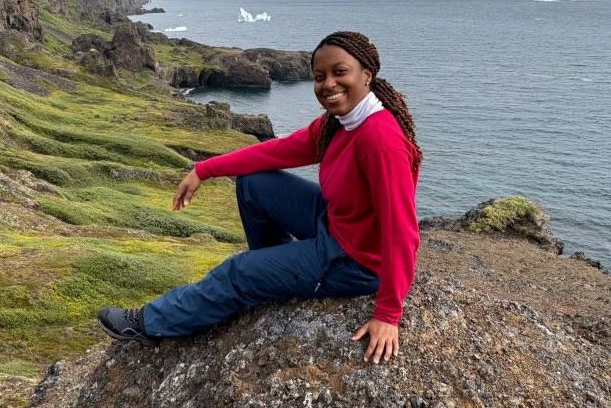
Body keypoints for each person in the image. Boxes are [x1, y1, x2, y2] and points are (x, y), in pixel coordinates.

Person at [98, 31, 422, 364]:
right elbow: (277, 152)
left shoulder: (379, 139)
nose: (328, 84)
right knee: (253, 184)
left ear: (367, 74)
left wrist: (388, 314)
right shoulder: (338, 123)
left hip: (354, 260)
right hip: (339, 223)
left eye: (340, 72)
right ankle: (272, 272)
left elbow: (402, 232)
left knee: (238, 271)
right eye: (319, 77)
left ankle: (150, 323)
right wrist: (204, 169)